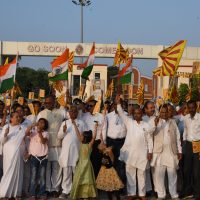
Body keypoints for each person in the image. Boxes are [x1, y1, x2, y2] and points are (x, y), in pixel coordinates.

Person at [116, 96, 153, 200]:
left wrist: (150, 152)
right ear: (133, 114)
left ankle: (142, 194)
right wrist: (118, 103)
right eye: (135, 113)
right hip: (130, 154)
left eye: (139, 113)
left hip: (142, 154)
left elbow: (150, 140)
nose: (137, 115)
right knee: (130, 174)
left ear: (142, 114)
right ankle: (132, 193)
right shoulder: (129, 122)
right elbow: (121, 113)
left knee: (142, 175)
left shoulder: (146, 125)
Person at [151, 104, 182, 200]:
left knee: (172, 173)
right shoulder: (155, 121)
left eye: (166, 112)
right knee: (159, 174)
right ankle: (161, 195)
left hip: (171, 152)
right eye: (162, 112)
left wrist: (179, 151)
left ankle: (174, 194)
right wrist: (154, 125)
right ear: (159, 113)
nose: (164, 114)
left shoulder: (172, 122)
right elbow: (149, 133)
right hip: (159, 152)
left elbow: (177, 137)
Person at [37, 95, 65, 197]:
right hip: (46, 145)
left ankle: (55, 188)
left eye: (49, 102)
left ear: (54, 102)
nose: (47, 104)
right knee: (47, 168)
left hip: (58, 144)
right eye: (46, 103)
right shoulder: (41, 113)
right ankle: (47, 188)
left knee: (57, 168)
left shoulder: (61, 112)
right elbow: (39, 128)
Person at [57, 105, 85, 199]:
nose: (73, 113)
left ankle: (77, 191)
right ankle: (66, 191)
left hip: (77, 151)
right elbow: (59, 136)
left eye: (75, 111)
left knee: (77, 173)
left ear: (77, 112)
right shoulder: (65, 123)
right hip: (67, 152)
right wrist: (63, 131)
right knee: (66, 173)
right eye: (71, 111)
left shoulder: (81, 123)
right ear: (68, 113)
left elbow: (84, 137)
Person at [0, 112, 26, 199]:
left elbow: (26, 139)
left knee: (18, 172)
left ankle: (16, 193)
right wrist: (5, 134)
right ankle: (5, 193)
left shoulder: (23, 128)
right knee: (8, 171)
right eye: (16, 117)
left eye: (19, 117)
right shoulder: (6, 127)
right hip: (8, 153)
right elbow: (2, 141)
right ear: (11, 118)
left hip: (19, 153)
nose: (18, 118)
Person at [70, 122, 98, 200]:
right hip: (81, 164)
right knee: (80, 179)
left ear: (85, 137)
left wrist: (95, 127)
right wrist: (75, 125)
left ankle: (86, 195)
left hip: (87, 165)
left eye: (82, 135)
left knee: (87, 180)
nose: (80, 136)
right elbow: (77, 134)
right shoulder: (81, 143)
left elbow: (94, 137)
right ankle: (80, 194)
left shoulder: (89, 145)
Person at [104, 101, 127, 187]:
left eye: (119, 105)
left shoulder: (126, 115)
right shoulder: (108, 116)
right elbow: (104, 129)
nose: (117, 107)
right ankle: (110, 185)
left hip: (122, 142)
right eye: (115, 105)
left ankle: (120, 186)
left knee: (120, 164)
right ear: (113, 106)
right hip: (111, 142)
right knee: (110, 164)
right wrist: (105, 143)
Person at [25, 118, 49, 200]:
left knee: (42, 177)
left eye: (42, 123)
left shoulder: (46, 133)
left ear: (45, 125)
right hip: (34, 157)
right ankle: (32, 194)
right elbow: (26, 133)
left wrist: (39, 133)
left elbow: (43, 141)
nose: (40, 124)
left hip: (43, 157)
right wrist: (31, 125)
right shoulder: (33, 131)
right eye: (39, 122)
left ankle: (42, 194)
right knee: (33, 176)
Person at [183, 100, 200, 199]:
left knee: (197, 171)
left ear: (196, 107)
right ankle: (187, 191)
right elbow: (185, 129)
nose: (191, 110)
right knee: (186, 169)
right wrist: (184, 141)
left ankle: (197, 193)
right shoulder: (186, 118)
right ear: (187, 108)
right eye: (189, 108)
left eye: (193, 107)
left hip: (198, 144)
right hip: (188, 145)